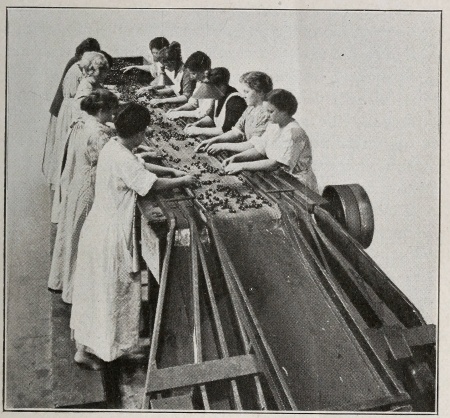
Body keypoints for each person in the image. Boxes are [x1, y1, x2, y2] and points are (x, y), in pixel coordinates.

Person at [70, 103, 196, 369]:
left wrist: (169, 170)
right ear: (140, 133)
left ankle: (101, 348)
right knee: (109, 292)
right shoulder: (122, 156)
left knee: (97, 292)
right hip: (111, 235)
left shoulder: (114, 146)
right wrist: (181, 181)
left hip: (98, 228)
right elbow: (148, 184)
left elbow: (140, 165)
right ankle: (97, 352)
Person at [47, 89, 119, 303]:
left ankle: (63, 283)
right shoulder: (98, 134)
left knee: (71, 235)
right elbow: (113, 161)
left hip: (75, 185)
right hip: (89, 190)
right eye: (111, 112)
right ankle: (77, 292)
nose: (113, 116)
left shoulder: (81, 122)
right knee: (83, 239)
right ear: (100, 110)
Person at [51, 52, 110, 223]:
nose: (105, 74)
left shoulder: (91, 83)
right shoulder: (86, 88)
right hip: (84, 133)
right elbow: (87, 116)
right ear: (93, 70)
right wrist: (111, 128)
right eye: (103, 71)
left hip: (85, 131)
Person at [222, 89, 319, 192]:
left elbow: (275, 163)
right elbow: (260, 149)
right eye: (266, 111)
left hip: (298, 184)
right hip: (279, 177)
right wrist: (236, 158)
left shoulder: (294, 133)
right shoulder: (273, 126)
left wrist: (242, 166)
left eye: (271, 111)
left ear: (285, 111)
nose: (267, 115)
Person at [43, 38, 101, 188]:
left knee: (65, 145)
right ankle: (62, 180)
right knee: (65, 145)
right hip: (66, 107)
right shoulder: (76, 64)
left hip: (67, 105)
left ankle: (63, 179)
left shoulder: (80, 63)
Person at [194, 71, 272, 154]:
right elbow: (236, 132)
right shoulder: (250, 108)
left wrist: (222, 145)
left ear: (260, 92)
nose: (243, 95)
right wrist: (212, 140)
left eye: (246, 92)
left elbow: (253, 145)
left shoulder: (267, 114)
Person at [183, 68, 247, 137]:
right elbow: (211, 118)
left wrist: (198, 130)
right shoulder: (219, 95)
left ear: (221, 86)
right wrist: (197, 124)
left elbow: (226, 130)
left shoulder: (235, 101)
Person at [164, 51, 214, 118]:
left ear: (204, 71)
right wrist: (177, 109)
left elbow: (202, 114)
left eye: (193, 73)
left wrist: (180, 114)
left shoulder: (212, 87)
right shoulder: (199, 82)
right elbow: (193, 104)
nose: (191, 77)